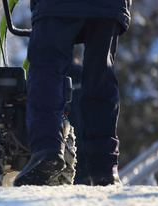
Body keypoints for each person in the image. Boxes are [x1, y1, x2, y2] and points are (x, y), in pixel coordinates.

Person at [13, 0, 132, 187]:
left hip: (58, 5)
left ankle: (47, 149)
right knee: (101, 77)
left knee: (47, 68)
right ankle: (105, 168)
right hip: (110, 6)